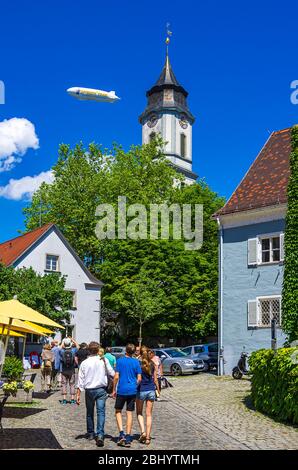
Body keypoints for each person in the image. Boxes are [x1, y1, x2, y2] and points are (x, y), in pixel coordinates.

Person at [77, 341, 115, 447]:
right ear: (98, 350)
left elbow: (80, 379)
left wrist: (78, 394)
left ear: (89, 350)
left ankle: (90, 433)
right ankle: (100, 435)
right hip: (101, 390)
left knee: (89, 412)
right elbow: (112, 373)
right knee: (101, 412)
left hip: (89, 390)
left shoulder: (84, 363)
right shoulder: (104, 360)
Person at [112, 343, 142, 447]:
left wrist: (113, 389)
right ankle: (128, 437)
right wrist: (134, 385)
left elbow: (116, 377)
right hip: (132, 391)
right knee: (129, 413)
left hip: (121, 390)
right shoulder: (136, 362)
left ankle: (121, 434)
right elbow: (139, 378)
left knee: (118, 411)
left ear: (126, 351)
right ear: (134, 352)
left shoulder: (120, 361)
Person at [136, 349, 159, 445]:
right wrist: (158, 389)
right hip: (151, 390)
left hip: (141, 390)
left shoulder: (139, 365)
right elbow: (155, 379)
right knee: (149, 414)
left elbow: (138, 379)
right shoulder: (152, 364)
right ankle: (148, 437)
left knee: (139, 412)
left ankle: (143, 432)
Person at [59, 337, 78, 404]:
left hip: (64, 370)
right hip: (71, 370)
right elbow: (78, 347)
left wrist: (62, 342)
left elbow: (59, 348)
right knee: (72, 384)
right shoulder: (73, 350)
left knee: (64, 384)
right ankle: (72, 399)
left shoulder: (61, 351)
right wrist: (73, 340)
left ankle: (64, 399)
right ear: (70, 344)